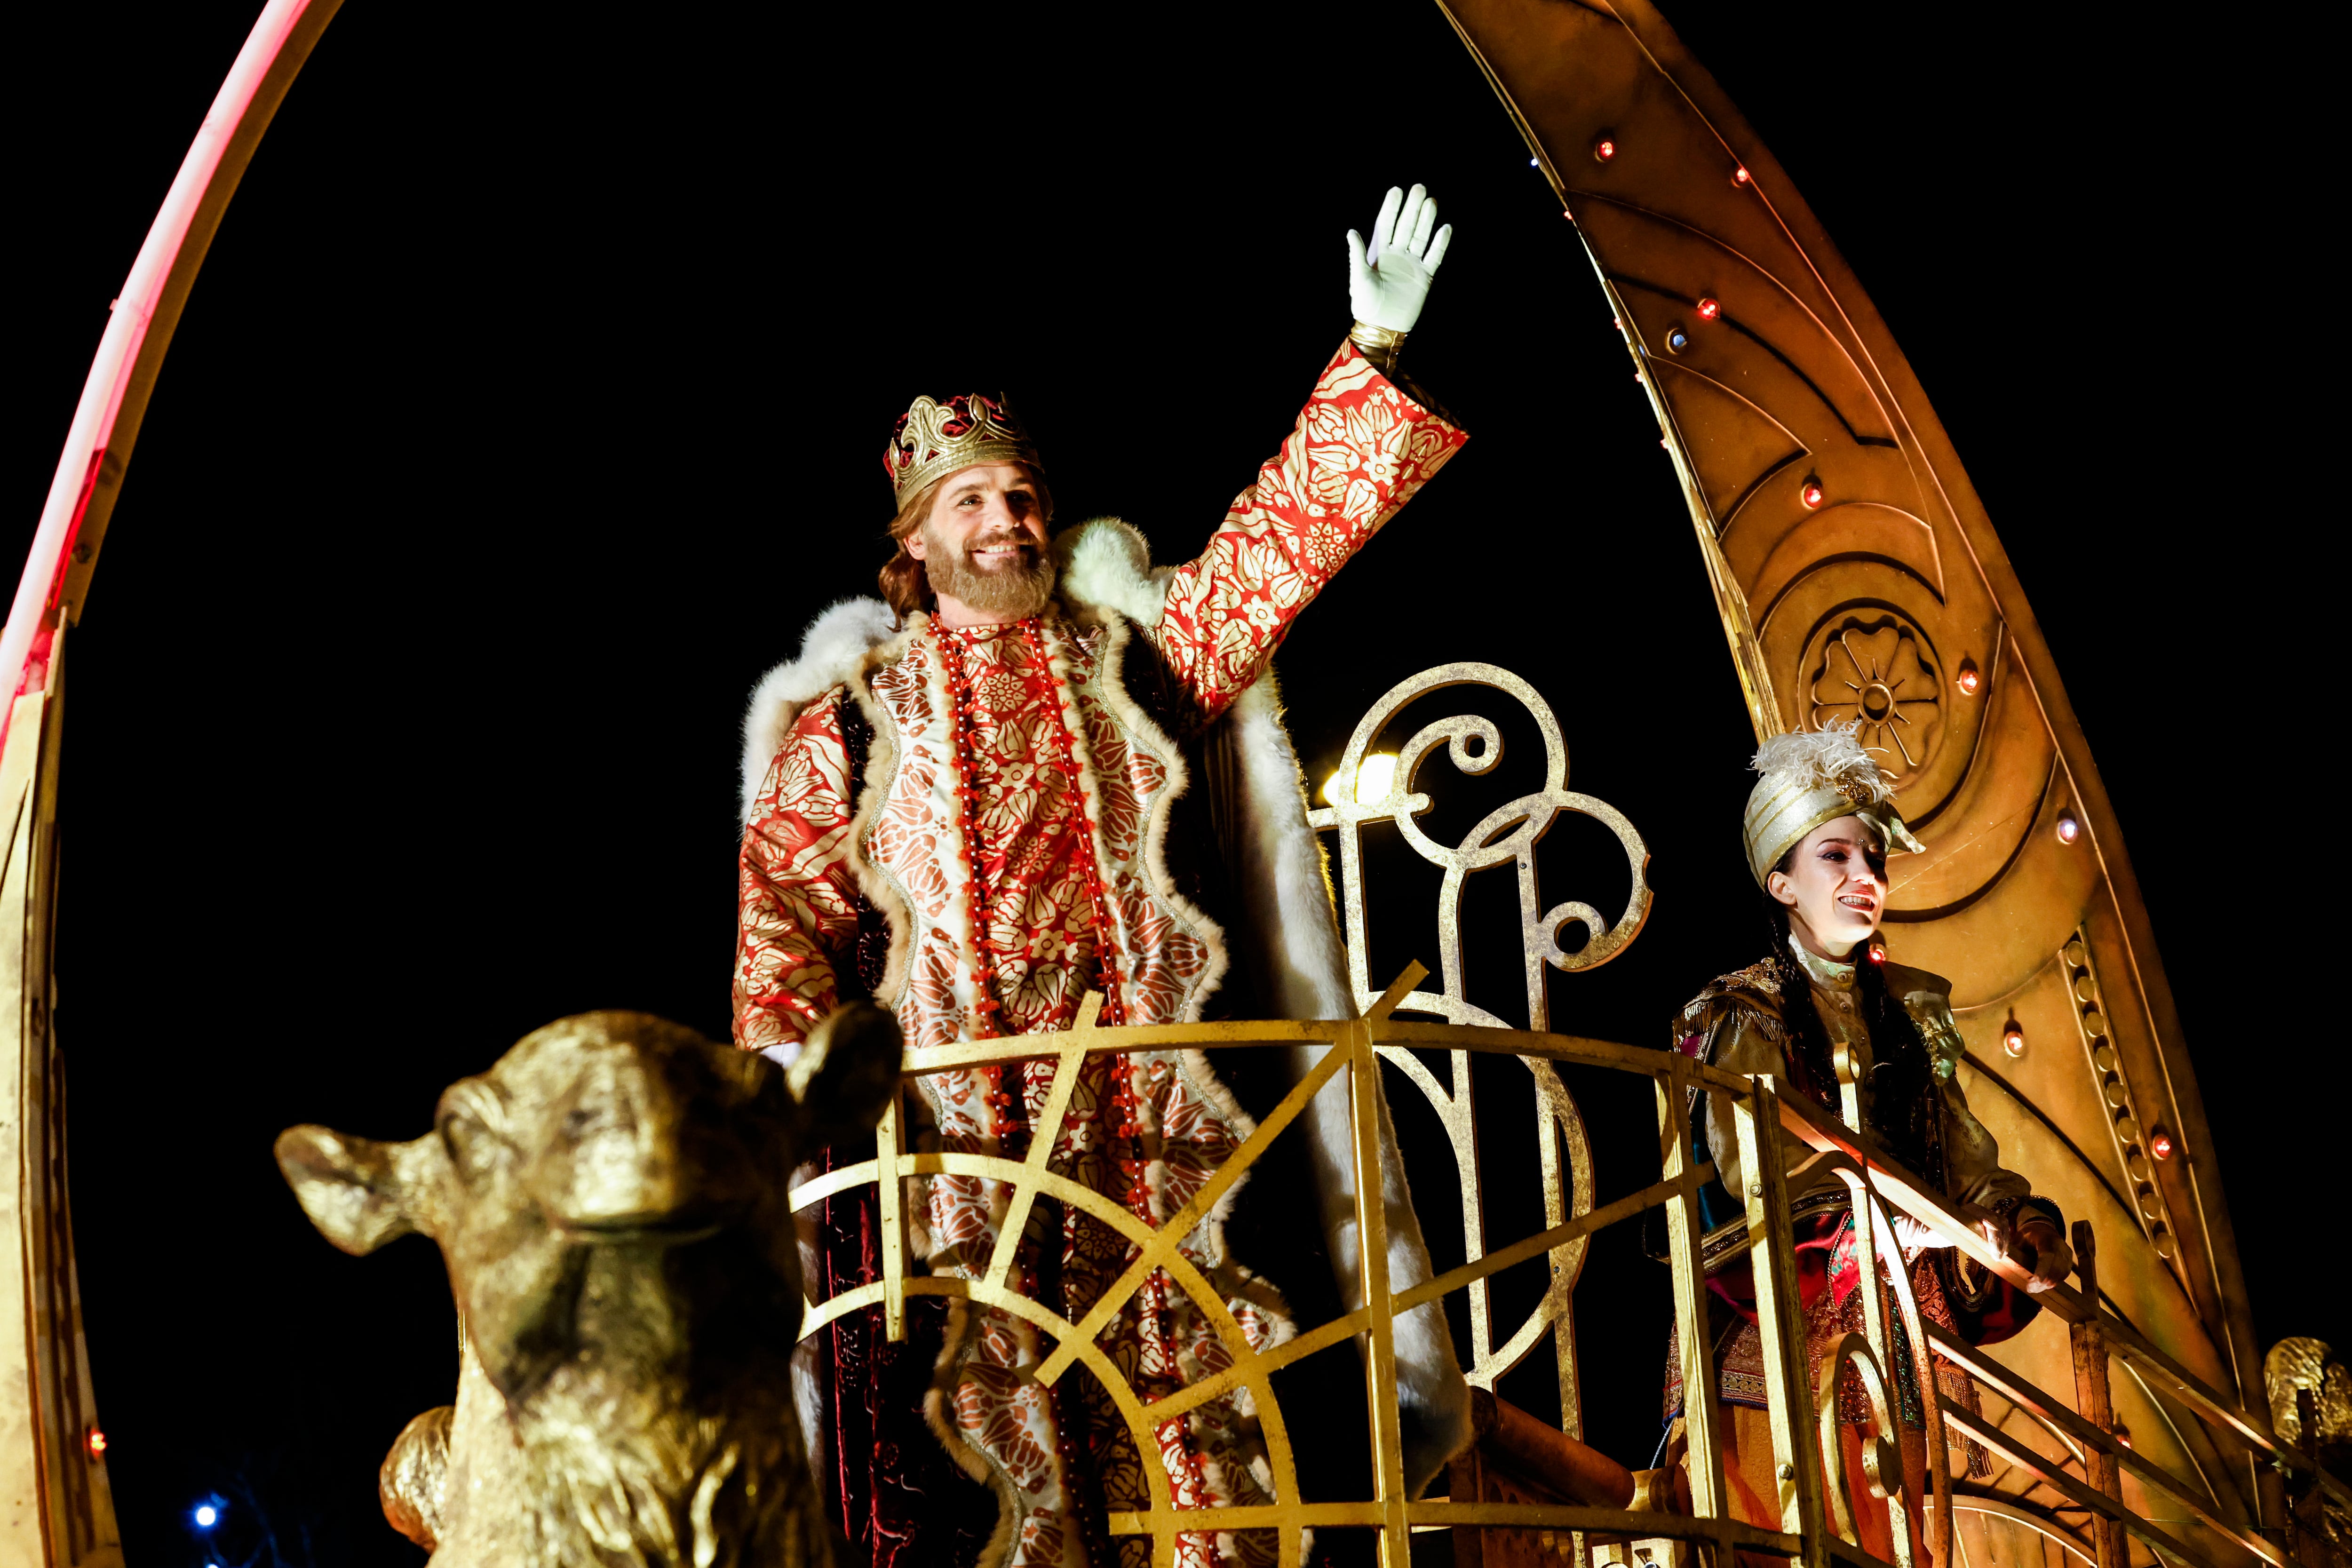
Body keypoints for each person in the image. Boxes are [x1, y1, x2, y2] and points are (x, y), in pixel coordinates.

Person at [736, 185, 1466, 1568]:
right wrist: (785, 1145)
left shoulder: (1138, 655)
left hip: (1172, 1158)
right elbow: (780, 943)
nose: (1006, 516)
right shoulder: (845, 723)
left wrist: (1368, 346)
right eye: (970, 500)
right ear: (912, 541)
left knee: (1221, 1480)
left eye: (1022, 493)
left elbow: (1280, 548)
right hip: (964, 1182)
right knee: (1001, 1495)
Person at [1663, 725, 2072, 1557]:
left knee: (1906, 1533)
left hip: (1900, 1305)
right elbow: (1758, 1170)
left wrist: (2016, 1218)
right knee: (1789, 1529)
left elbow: (1966, 1154)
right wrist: (1892, 1208)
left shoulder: (1915, 1011)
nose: (1866, 878)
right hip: (1780, 1304)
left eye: (1875, 860)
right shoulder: (1739, 1009)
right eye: (1837, 857)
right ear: (1781, 882)